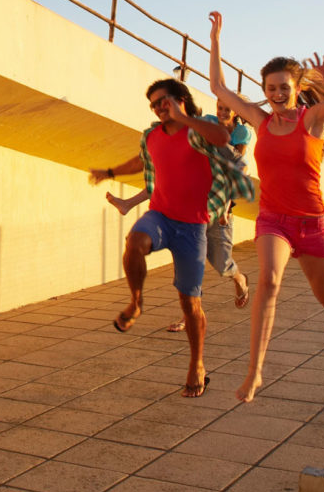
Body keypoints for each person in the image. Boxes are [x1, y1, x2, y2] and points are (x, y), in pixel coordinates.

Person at [209, 11, 324, 403]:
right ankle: (254, 373)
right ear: (265, 89)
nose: (276, 93)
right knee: (269, 282)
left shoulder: (313, 119)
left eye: (283, 87)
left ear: (295, 88)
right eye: (270, 87)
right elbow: (219, 87)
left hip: (312, 224)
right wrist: (216, 38)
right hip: (274, 220)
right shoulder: (258, 120)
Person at [89, 79, 246, 398]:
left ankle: (197, 364)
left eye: (164, 101)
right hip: (161, 215)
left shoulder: (201, 131)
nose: (159, 107)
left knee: (190, 304)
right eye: (154, 104)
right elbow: (142, 159)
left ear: (181, 99)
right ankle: (136, 303)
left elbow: (223, 140)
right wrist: (110, 171)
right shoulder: (152, 135)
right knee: (135, 242)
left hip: (193, 226)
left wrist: (186, 118)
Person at [199, 102, 252, 310]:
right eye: (219, 108)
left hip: (222, 199)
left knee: (222, 264)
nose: (221, 113)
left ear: (235, 112)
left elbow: (237, 166)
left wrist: (226, 204)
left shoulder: (241, 133)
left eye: (226, 110)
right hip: (198, 200)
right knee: (193, 260)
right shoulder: (209, 123)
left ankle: (240, 280)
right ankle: (191, 313)